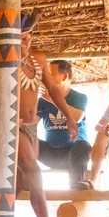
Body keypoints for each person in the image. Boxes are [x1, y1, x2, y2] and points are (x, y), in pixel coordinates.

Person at [0, 10, 77, 217]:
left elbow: (54, 90)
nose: (24, 44)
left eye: (27, 38)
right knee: (36, 174)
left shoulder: (39, 59)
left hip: (32, 128)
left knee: (19, 184)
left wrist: (69, 117)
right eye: (19, 39)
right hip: (10, 126)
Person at [37, 60, 91, 189]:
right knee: (25, 139)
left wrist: (52, 100)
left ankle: (77, 183)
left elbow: (77, 118)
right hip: (50, 154)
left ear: (65, 76)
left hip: (73, 155)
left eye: (51, 74)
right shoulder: (42, 101)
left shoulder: (79, 97)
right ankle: (27, 181)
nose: (46, 78)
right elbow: (31, 122)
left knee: (83, 145)